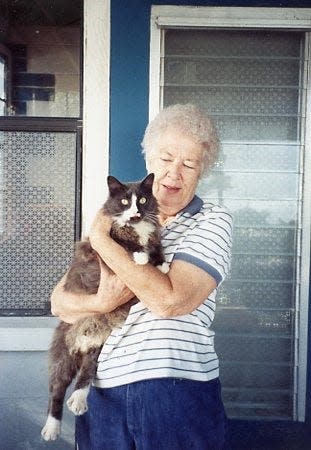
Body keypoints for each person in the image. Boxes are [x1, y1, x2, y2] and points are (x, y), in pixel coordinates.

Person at [51, 104, 233, 450]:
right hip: (102, 388)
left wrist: (103, 240)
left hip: (176, 388)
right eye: (166, 159)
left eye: (189, 163)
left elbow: (170, 300)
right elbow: (60, 302)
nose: (174, 174)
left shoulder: (211, 220)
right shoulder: (117, 212)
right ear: (149, 159)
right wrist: (102, 301)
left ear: (202, 170)